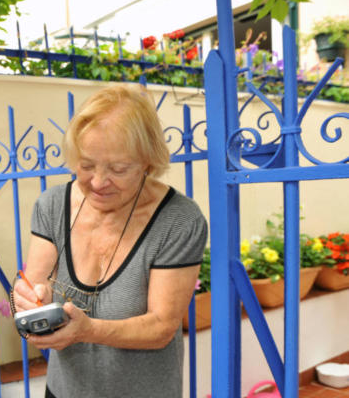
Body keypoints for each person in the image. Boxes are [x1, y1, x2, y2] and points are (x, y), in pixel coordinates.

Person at [12, 85, 208, 397]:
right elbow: (30, 288)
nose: (99, 182)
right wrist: (30, 299)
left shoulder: (178, 220)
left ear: (147, 162)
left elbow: (160, 328)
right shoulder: (52, 206)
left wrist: (88, 330)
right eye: (86, 165)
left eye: (118, 169)